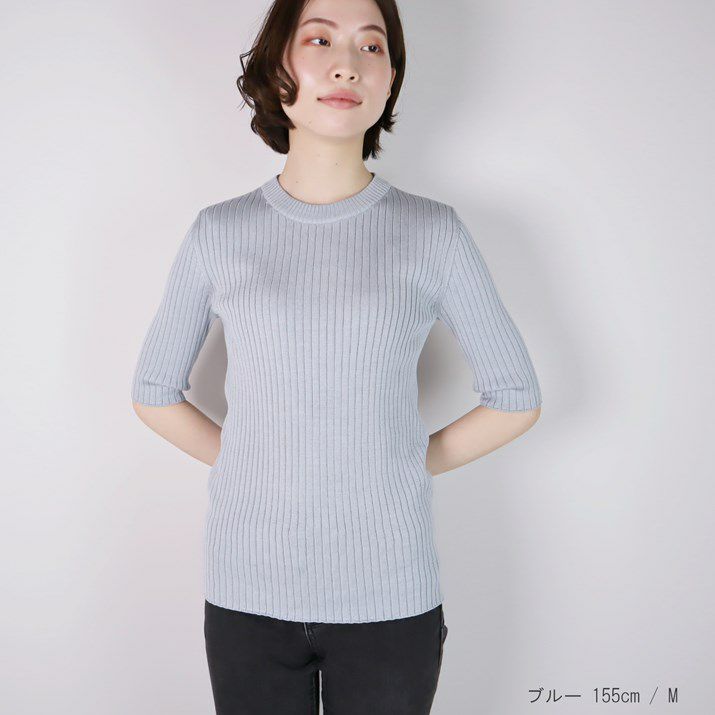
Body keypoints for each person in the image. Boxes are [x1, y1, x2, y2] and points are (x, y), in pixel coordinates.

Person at [131, 0, 542, 712]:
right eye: (319, 39)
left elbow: (515, 398)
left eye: (371, 46)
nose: (346, 63)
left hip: (391, 594)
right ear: (277, 67)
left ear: (390, 79)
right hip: (247, 591)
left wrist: (393, 461)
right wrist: (259, 460)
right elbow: (153, 391)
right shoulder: (219, 232)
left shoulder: (432, 232)